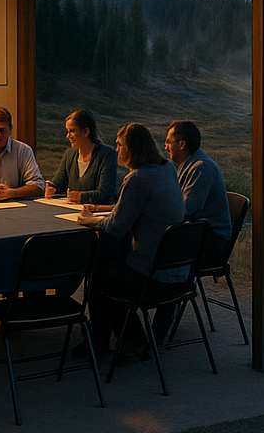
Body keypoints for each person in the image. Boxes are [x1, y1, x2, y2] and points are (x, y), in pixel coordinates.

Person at [78, 123, 184, 361]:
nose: (116, 151)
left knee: (100, 276)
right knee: (112, 268)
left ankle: (121, 340)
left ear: (133, 149)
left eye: (120, 145)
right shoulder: (166, 168)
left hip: (152, 275)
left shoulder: (137, 178)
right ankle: (121, 338)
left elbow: (116, 228)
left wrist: (91, 220)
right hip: (177, 270)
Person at [163, 120, 233, 269]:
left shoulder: (201, 168)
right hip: (199, 235)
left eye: (169, 142)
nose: (165, 146)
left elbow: (187, 211)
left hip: (211, 242)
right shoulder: (187, 165)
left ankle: (170, 285)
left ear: (182, 144)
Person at [44, 109, 119, 206]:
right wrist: (51, 188)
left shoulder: (106, 155)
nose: (68, 136)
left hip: (99, 211)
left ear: (86, 132)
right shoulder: (70, 154)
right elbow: (59, 183)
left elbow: (106, 192)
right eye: (67, 131)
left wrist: (82, 197)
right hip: (74, 210)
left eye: (72, 131)